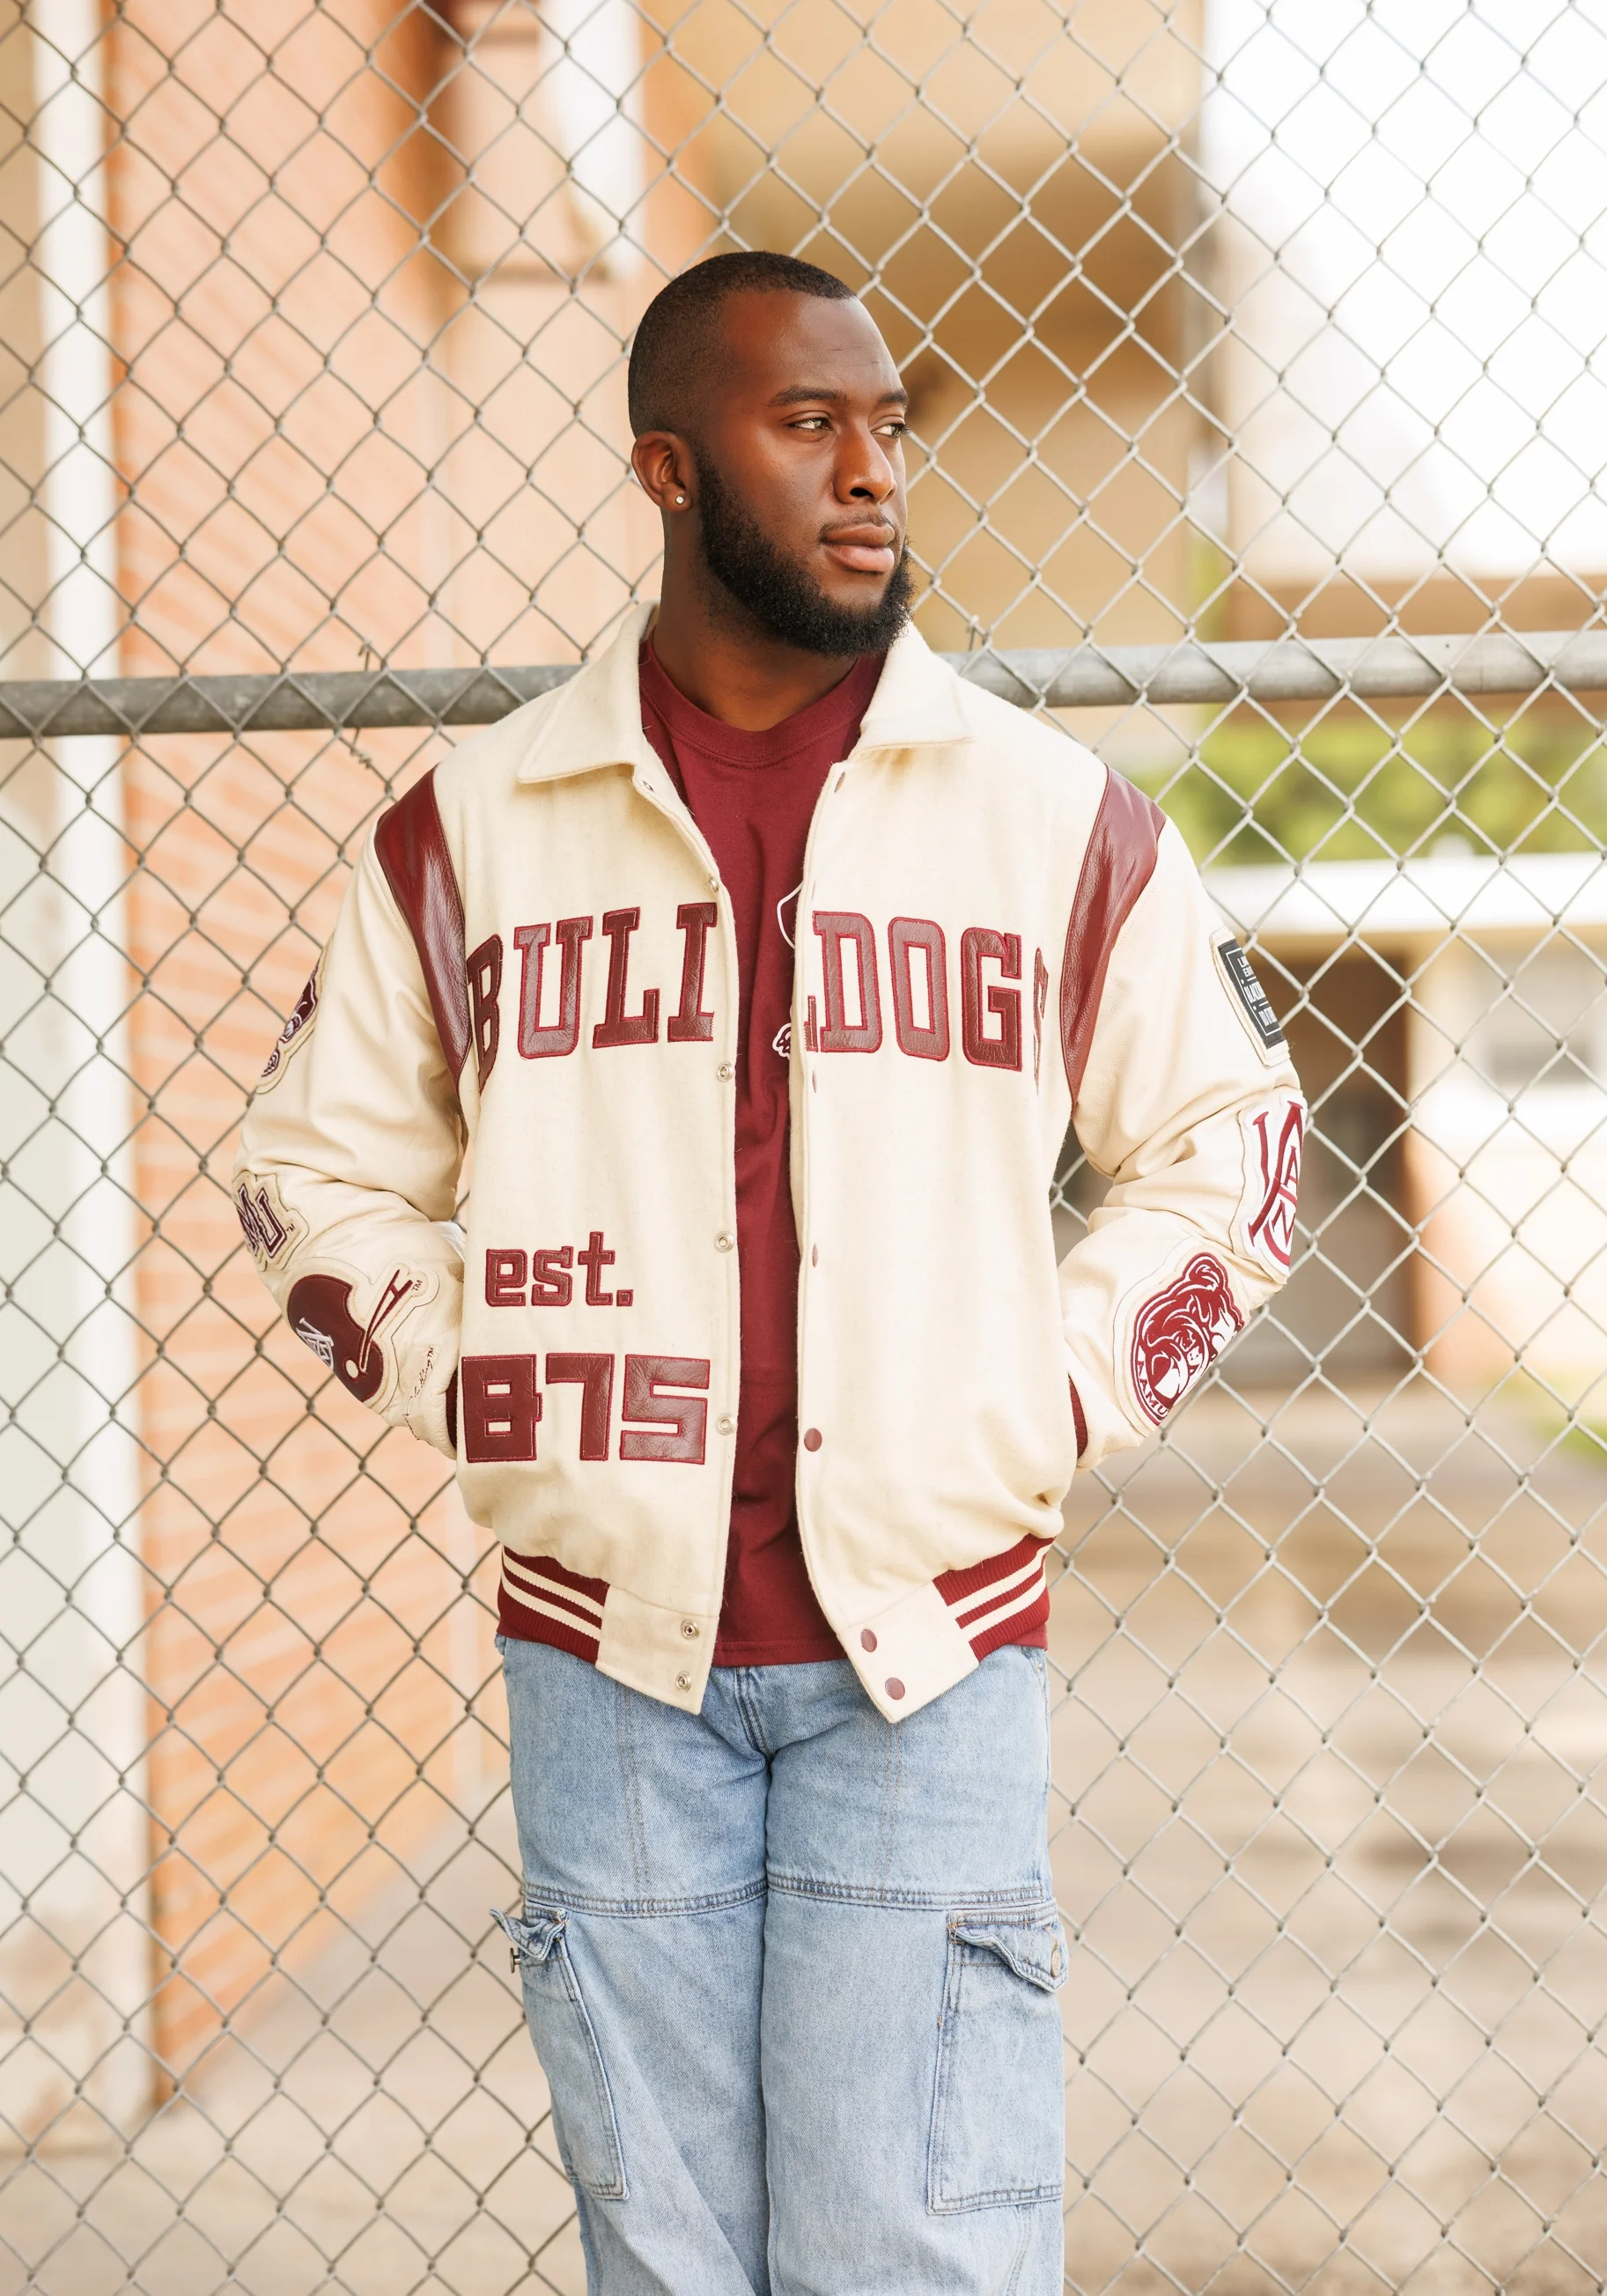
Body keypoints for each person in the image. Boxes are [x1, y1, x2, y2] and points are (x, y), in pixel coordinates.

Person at [234, 250, 1303, 2294]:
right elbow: (309, 1167)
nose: (872, 470)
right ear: (667, 468)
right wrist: (492, 1374)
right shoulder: (476, 828)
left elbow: (1234, 1148)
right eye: (806, 425)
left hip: (932, 1640)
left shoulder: (1048, 818)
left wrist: (1050, 1386)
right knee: (671, 2264)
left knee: (912, 2252)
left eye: (887, 426)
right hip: (608, 1658)